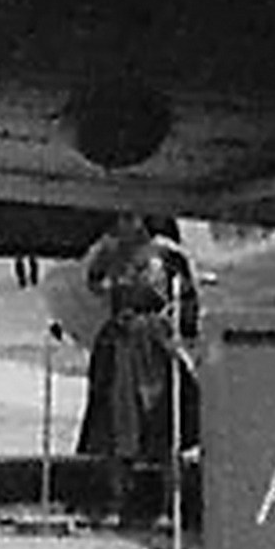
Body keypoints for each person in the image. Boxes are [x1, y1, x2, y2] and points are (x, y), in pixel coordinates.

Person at [79, 216, 199, 526]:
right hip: (121, 347)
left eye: (129, 218)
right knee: (117, 430)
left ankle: (169, 507)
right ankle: (117, 502)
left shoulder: (166, 256)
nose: (123, 224)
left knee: (165, 428)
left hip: (156, 346)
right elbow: (94, 285)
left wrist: (166, 325)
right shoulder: (109, 254)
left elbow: (186, 304)